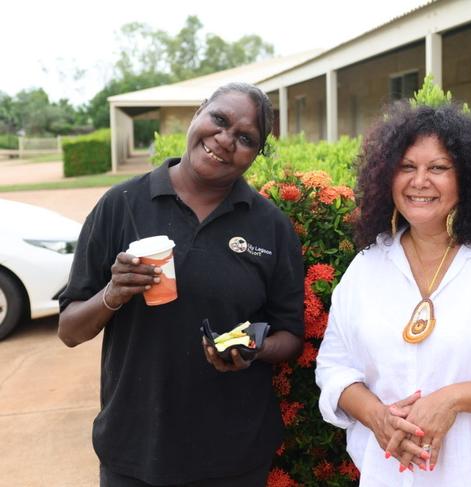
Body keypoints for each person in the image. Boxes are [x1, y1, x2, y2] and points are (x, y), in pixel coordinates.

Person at [315, 101, 471, 487]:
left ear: (466, 178)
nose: (420, 181)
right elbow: (334, 368)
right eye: (407, 167)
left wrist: (449, 400)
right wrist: (377, 416)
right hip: (394, 476)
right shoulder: (367, 267)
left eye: (438, 168)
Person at [58, 82, 304, 486]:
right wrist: (112, 295)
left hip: (234, 457)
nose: (225, 141)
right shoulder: (121, 206)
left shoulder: (270, 226)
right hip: (134, 451)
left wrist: (253, 350)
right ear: (199, 112)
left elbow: (290, 335)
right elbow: (69, 330)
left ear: (256, 155)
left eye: (245, 139)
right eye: (219, 120)